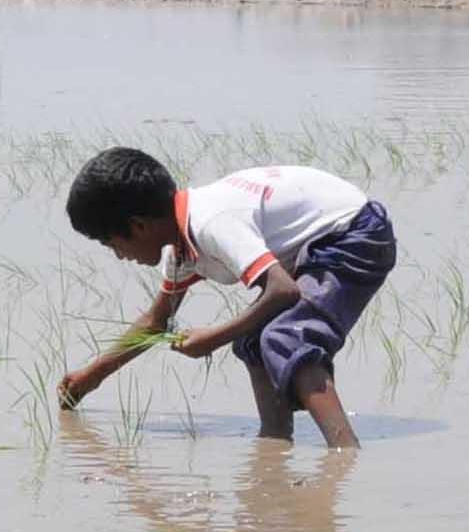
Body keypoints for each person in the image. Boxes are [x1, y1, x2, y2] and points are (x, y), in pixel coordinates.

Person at [57, 148, 398, 449]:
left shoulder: (210, 222)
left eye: (112, 243)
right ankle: (274, 441)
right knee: (252, 340)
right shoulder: (181, 246)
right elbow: (156, 321)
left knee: (287, 335)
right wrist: (92, 376)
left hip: (354, 233)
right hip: (318, 242)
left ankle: (344, 452)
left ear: (139, 226)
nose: (118, 256)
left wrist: (213, 338)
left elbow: (283, 290)